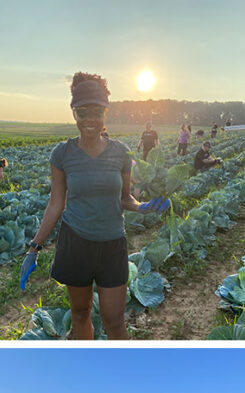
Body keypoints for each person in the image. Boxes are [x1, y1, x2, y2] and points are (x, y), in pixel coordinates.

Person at [19, 72, 168, 340]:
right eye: (82, 112)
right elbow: (56, 204)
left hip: (112, 245)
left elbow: (125, 198)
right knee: (79, 313)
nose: (90, 119)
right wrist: (34, 248)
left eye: (97, 112)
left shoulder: (121, 152)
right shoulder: (62, 154)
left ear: (106, 113)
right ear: (73, 113)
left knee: (114, 320)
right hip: (75, 243)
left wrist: (143, 206)